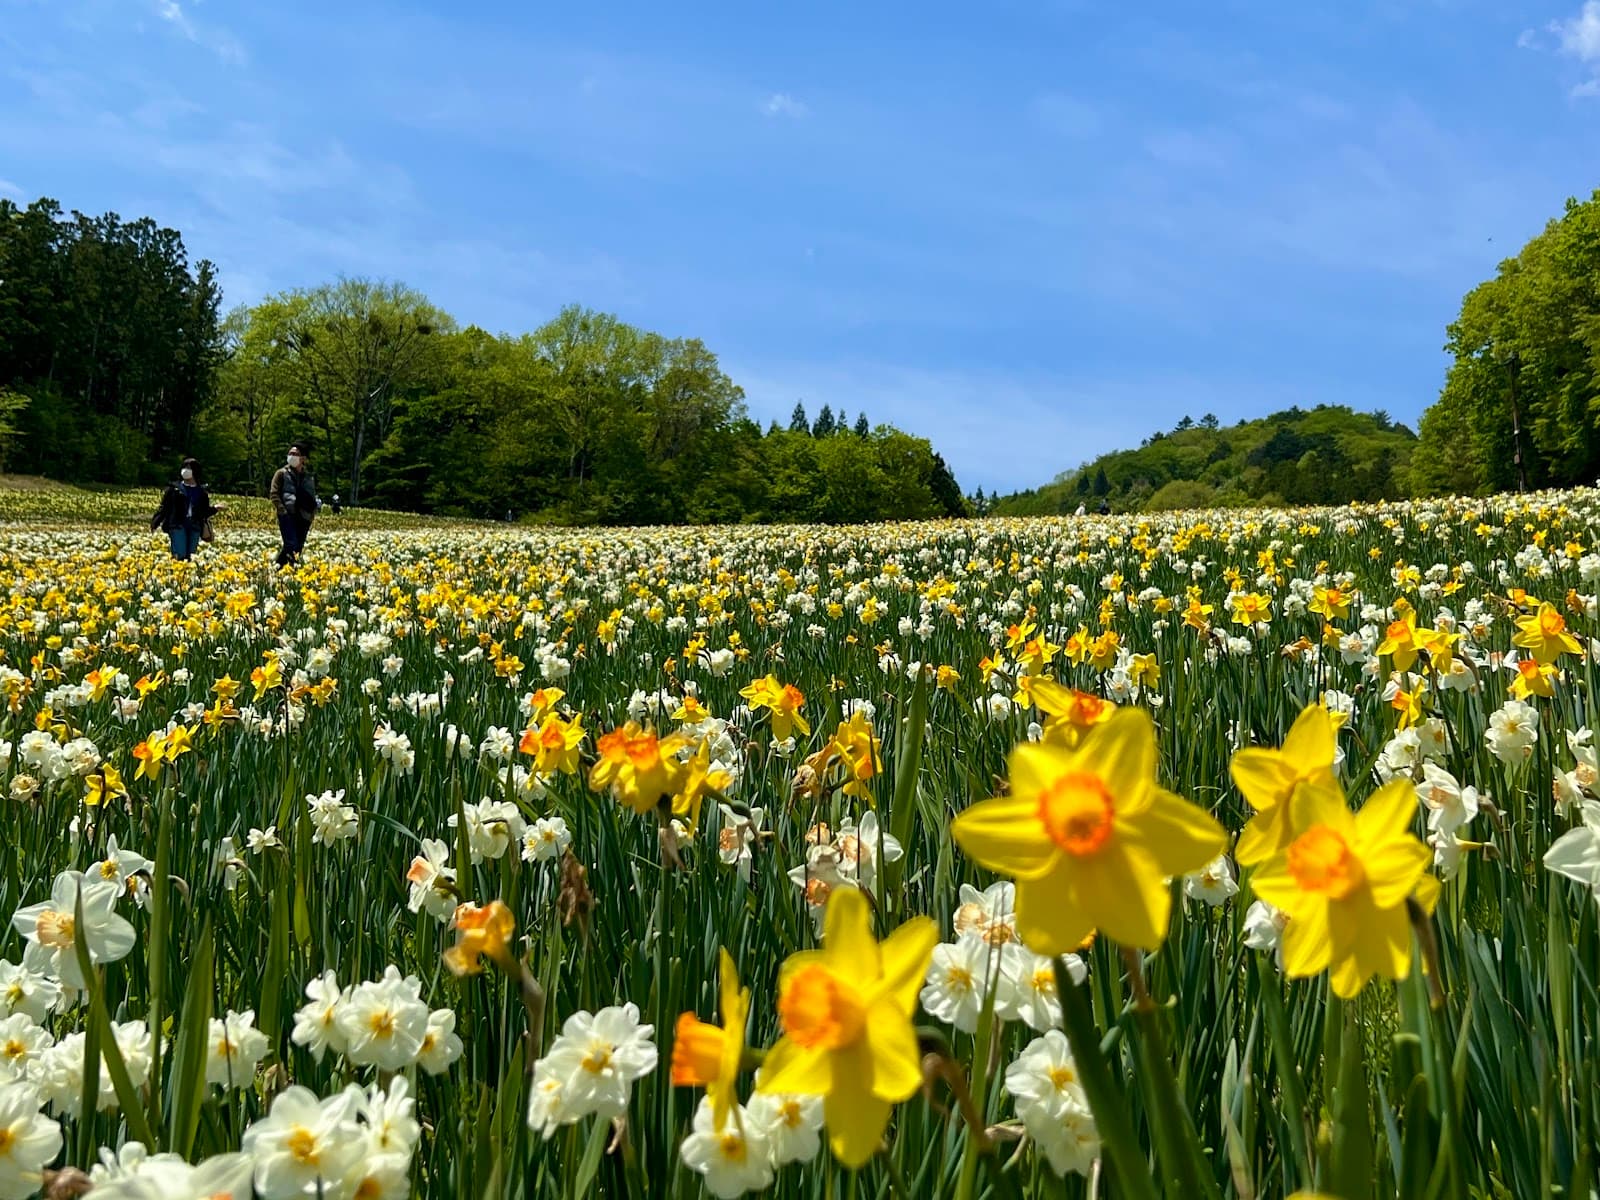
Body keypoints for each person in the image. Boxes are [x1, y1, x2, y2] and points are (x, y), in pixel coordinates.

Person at [150, 457, 221, 561]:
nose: (185, 470)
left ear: (195, 471)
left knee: (191, 556)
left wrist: (215, 509)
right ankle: (177, 572)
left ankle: (185, 575)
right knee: (180, 554)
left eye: (188, 468)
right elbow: (165, 507)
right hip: (177, 524)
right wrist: (155, 521)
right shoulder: (174, 489)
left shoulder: (201, 492)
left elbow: (204, 511)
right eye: (184, 467)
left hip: (195, 526)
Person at [269, 442, 320, 567]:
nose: (292, 456)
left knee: (298, 547)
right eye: (290, 453)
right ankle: (288, 568)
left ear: (303, 458)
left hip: (304, 517)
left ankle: (279, 567)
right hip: (287, 515)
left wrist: (311, 515)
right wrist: (282, 511)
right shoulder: (281, 473)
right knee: (291, 544)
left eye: (295, 454)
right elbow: (274, 494)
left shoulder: (308, 477)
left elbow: (312, 498)